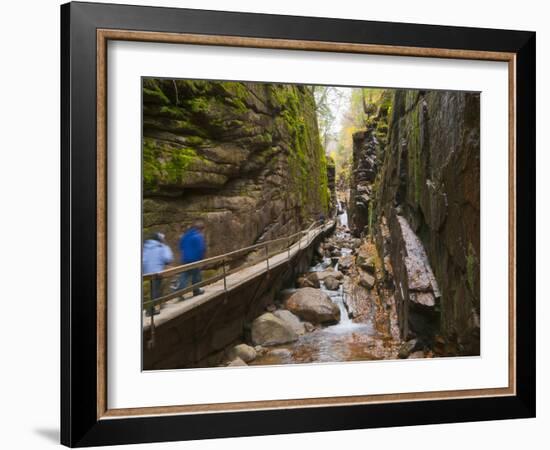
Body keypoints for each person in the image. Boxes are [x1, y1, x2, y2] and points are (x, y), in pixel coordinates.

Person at [142, 232, 173, 316]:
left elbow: (143, 260)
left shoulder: (146, 247)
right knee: (156, 290)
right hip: (157, 272)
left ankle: (159, 304)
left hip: (147, 272)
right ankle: (150, 310)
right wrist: (166, 247)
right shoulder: (161, 247)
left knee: (153, 289)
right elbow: (168, 258)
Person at [178, 220, 206, 298]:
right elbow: (201, 249)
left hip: (185, 259)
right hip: (195, 260)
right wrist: (201, 260)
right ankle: (196, 291)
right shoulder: (198, 236)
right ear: (200, 229)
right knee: (196, 276)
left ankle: (179, 293)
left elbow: (180, 246)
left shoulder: (185, 235)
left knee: (184, 277)